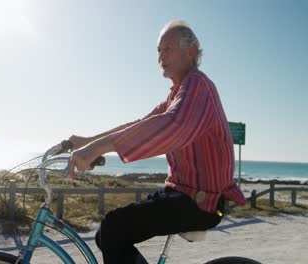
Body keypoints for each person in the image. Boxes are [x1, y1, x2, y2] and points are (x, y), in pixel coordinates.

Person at [68, 20, 246, 264]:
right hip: (180, 193)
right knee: (105, 234)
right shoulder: (177, 92)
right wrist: (88, 141)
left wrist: (96, 148)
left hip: (201, 201)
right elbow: (141, 124)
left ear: (191, 51)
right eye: (159, 50)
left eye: (168, 48)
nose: (161, 56)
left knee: (114, 229)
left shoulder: (197, 84)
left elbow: (172, 125)